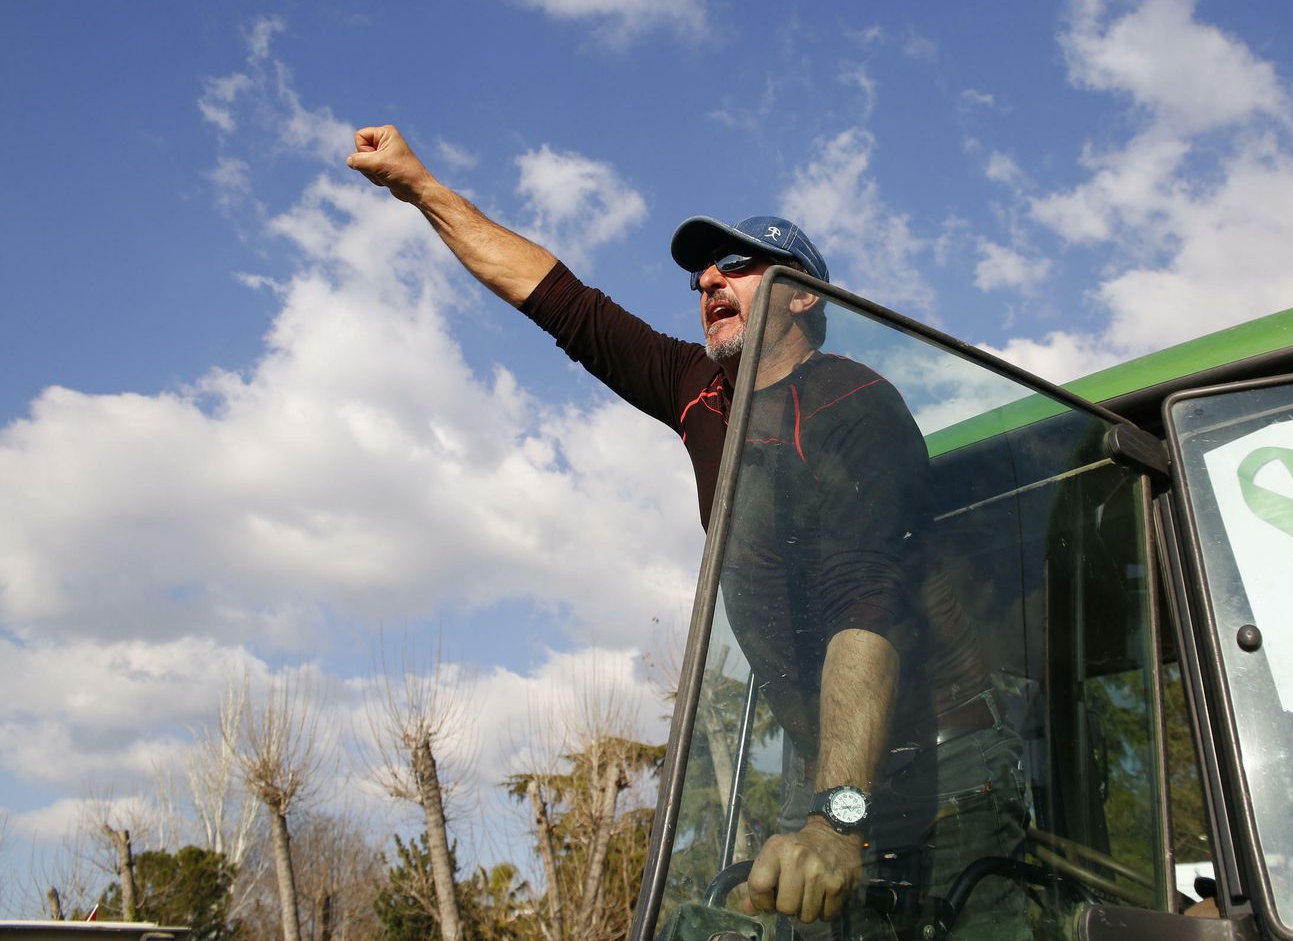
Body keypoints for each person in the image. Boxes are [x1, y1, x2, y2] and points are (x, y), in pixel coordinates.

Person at [347, 126, 1024, 933]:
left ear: (805, 296)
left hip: (945, 770)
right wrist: (420, 186)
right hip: (823, 780)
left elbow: (866, 605)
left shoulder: (853, 406)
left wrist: (839, 817)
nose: (708, 280)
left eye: (737, 266)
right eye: (702, 274)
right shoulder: (697, 390)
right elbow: (555, 296)